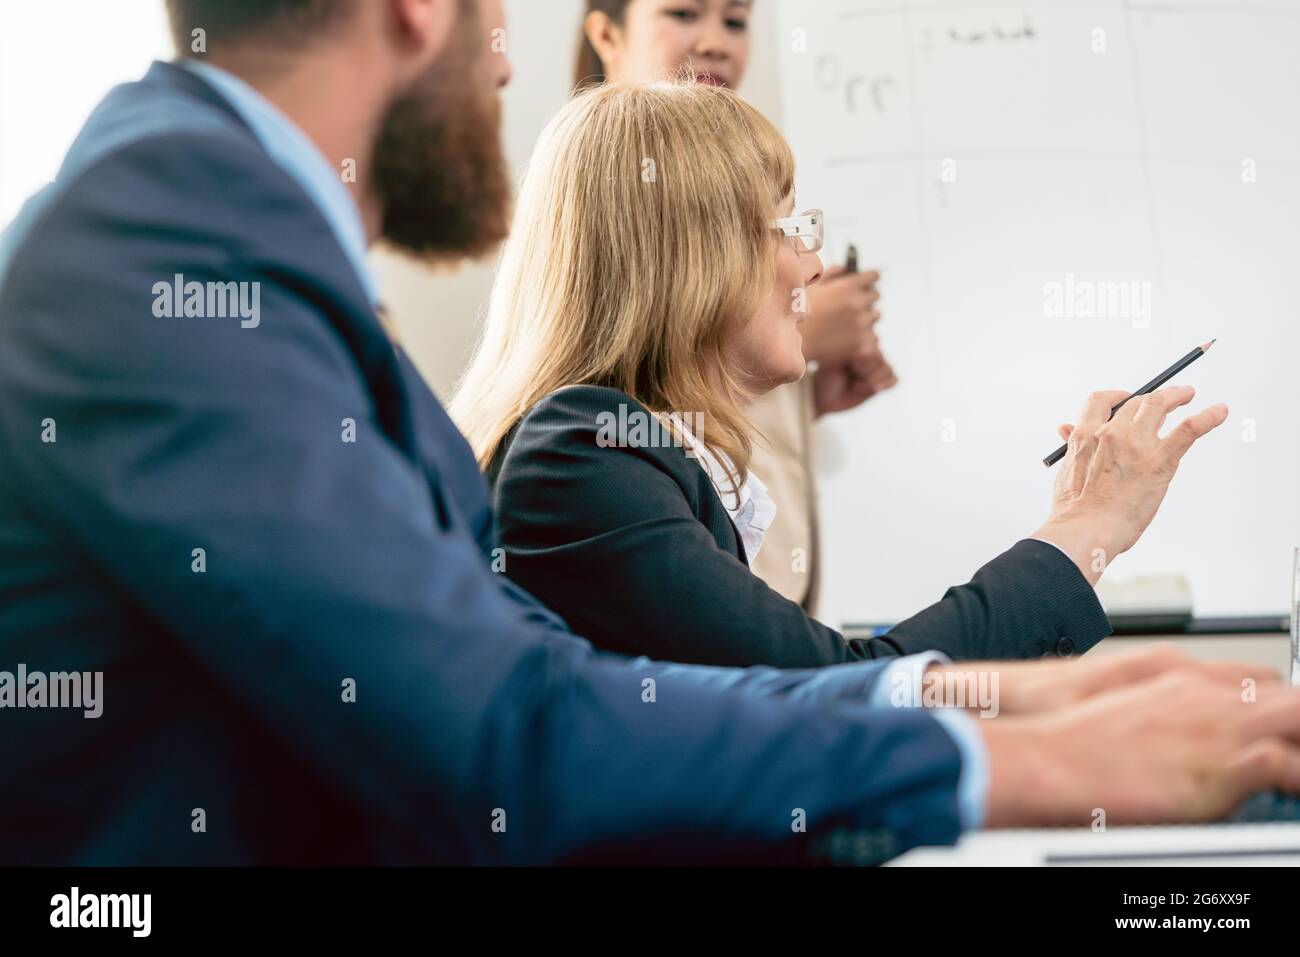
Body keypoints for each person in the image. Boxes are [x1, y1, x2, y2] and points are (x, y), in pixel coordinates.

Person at [2, 0, 1298, 866]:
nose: (509, 64)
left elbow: (549, 676)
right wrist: (1001, 750)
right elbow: (505, 731)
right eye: (498, 17)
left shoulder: (234, 241)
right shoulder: (169, 239)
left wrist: (1018, 695)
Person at [452, 80, 1209, 668]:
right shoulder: (584, 456)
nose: (813, 263)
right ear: (691, 260)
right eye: (791, 227)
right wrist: (1086, 528)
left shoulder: (626, 455)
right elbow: (831, 696)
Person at [575, 0, 893, 613]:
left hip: (767, 583)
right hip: (706, 597)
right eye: (684, 14)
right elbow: (625, 396)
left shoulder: (733, 178)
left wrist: (805, 396)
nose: (716, 42)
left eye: (736, 22)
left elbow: (696, 409)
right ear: (606, 34)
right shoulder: (598, 201)